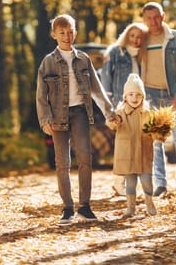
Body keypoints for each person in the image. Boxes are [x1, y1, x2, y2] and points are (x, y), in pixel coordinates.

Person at [36, 14, 116, 224]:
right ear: (54, 35)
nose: (67, 36)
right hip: (57, 116)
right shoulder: (48, 62)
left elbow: (97, 89)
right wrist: (45, 119)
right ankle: (68, 208)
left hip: (80, 112)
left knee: (85, 159)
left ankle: (85, 206)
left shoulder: (84, 59)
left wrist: (109, 112)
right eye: (62, 32)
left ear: (75, 33)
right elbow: (40, 95)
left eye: (70, 31)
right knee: (62, 162)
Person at [141, 1, 176, 196]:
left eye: (157, 16)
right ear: (144, 20)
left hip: (173, 94)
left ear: (163, 16)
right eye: (149, 18)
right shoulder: (141, 40)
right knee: (156, 141)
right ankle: (161, 185)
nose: (153, 21)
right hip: (151, 96)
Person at [101, 22, 148, 196]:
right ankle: (118, 181)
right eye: (132, 36)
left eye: (139, 37)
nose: (135, 40)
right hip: (121, 104)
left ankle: (135, 183)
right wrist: (110, 105)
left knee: (139, 143)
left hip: (139, 104)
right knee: (123, 144)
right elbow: (106, 78)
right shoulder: (115, 51)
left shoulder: (144, 54)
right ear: (127, 35)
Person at [106, 73, 157, 216]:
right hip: (127, 155)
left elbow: (156, 131)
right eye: (131, 94)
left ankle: (149, 202)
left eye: (138, 95)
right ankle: (131, 207)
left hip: (144, 154)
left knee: (147, 180)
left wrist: (159, 131)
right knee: (131, 183)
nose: (134, 98)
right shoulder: (120, 113)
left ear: (143, 97)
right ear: (125, 97)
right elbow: (111, 122)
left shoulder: (148, 113)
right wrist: (112, 121)